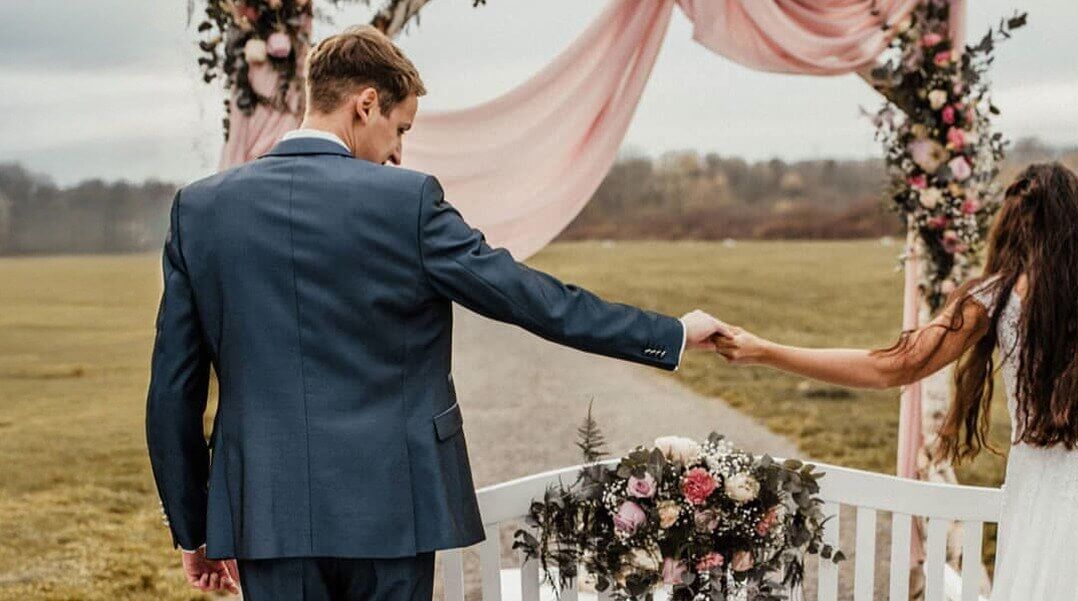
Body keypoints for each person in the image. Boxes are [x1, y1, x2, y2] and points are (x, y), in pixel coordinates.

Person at [144, 25, 725, 600]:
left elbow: (174, 389)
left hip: (264, 516)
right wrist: (669, 333)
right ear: (365, 104)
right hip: (394, 505)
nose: (399, 151)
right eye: (400, 129)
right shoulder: (409, 202)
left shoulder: (200, 211)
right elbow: (530, 299)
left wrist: (193, 528)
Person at [712, 162, 1078, 599]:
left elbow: (890, 365)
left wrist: (766, 350)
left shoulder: (997, 296)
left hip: (1041, 499)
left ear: (1015, 229)